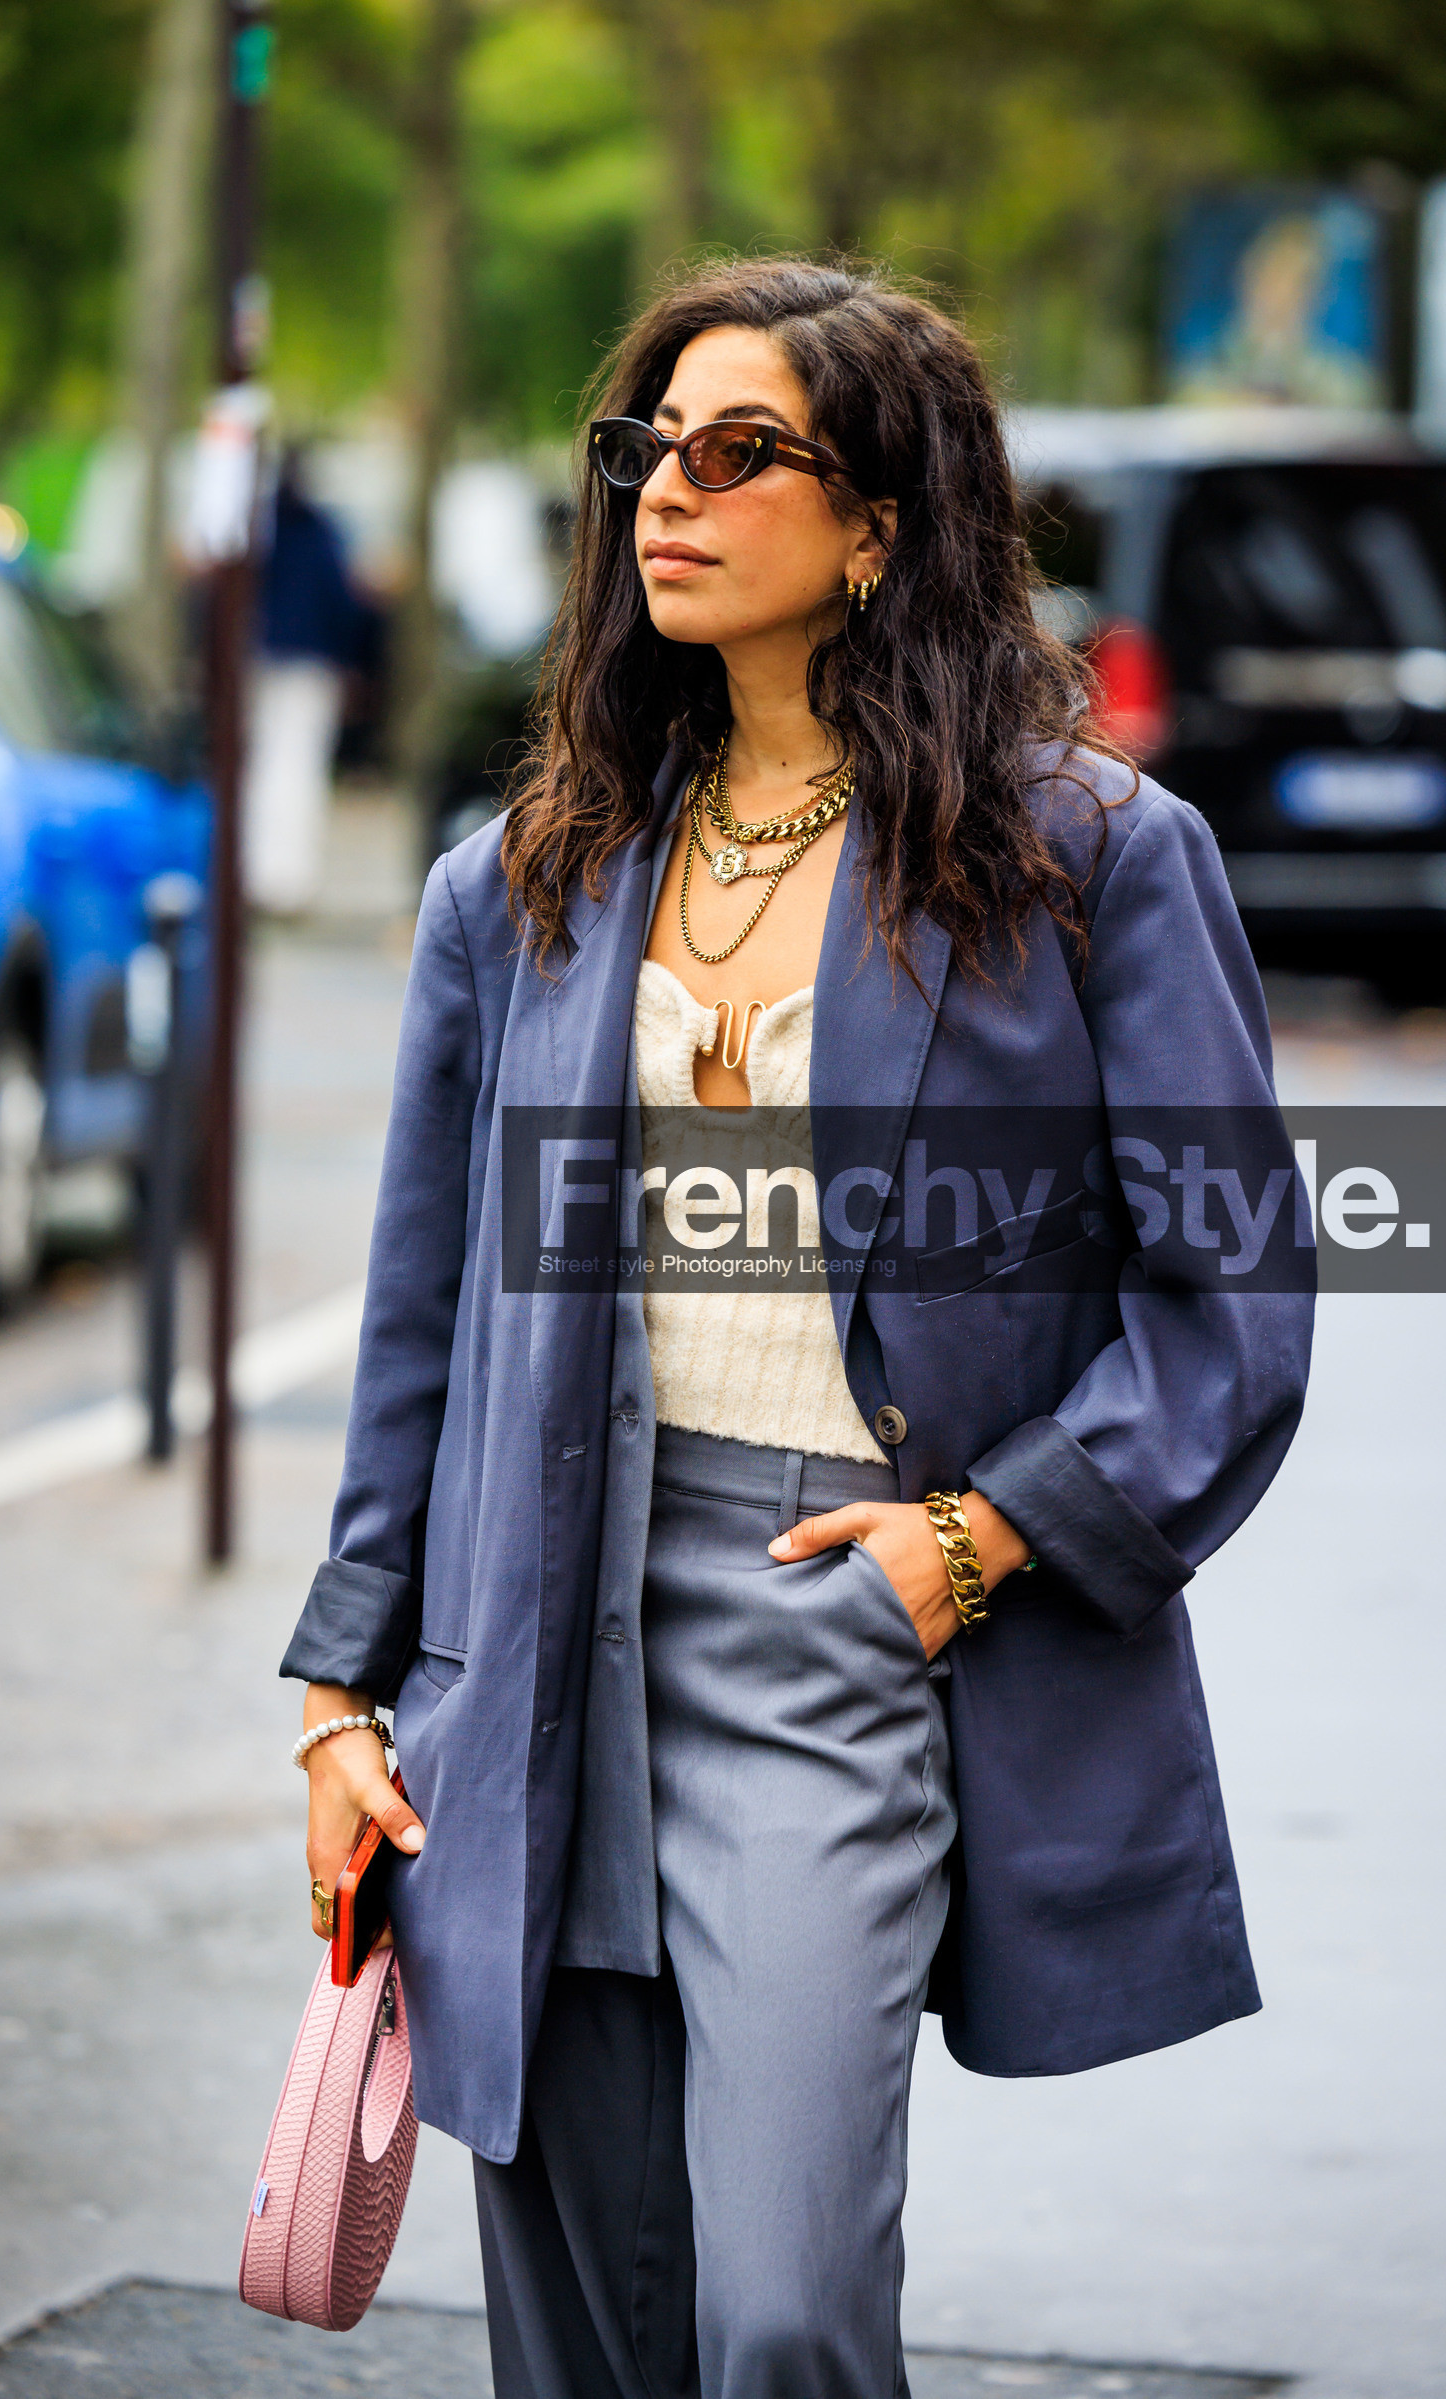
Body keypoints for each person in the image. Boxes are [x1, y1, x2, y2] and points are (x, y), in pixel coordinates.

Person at [280, 259, 1314, 2398]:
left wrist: (975, 1539)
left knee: (777, 2304)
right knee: (583, 2315)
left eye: (739, 451)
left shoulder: (1088, 859)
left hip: (830, 1619)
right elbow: (424, 1320)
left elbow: (1233, 1296)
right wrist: (340, 1691)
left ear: (877, 525)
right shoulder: (525, 878)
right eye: (645, 448)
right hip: (528, 1631)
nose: (668, 490)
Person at [243, 444, 371, 913]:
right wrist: (349, 660)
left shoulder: (258, 530)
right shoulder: (322, 531)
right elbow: (343, 601)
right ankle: (288, 880)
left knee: (260, 769)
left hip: (261, 659)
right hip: (308, 665)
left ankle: (257, 875)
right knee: (298, 770)